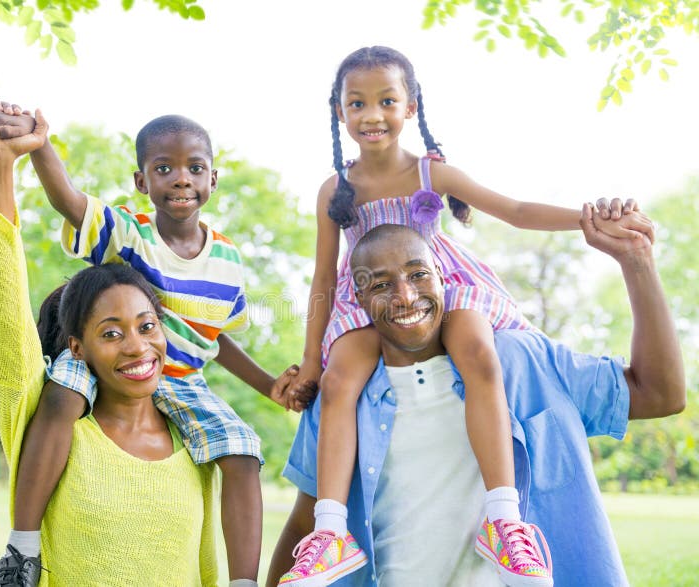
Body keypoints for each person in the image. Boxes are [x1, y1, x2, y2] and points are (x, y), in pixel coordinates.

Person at [279, 45, 654, 586]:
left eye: (387, 100)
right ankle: (331, 531)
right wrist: (310, 361)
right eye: (356, 103)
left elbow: (517, 212)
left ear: (410, 108)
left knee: (480, 352)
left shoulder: (432, 172)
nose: (372, 114)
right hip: (370, 299)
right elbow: (321, 277)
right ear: (339, 111)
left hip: (441, 286)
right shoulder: (334, 190)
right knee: (340, 384)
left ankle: (503, 519)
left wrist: (588, 220)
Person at [0, 104, 314, 587]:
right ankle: (22, 548)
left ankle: (243, 582)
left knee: (242, 451)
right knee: (61, 395)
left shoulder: (227, 260)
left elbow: (217, 337)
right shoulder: (131, 233)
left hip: (183, 381)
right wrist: (40, 145)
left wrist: (269, 388)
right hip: (103, 368)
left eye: (194, 169)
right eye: (164, 168)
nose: (180, 179)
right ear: (141, 181)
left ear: (213, 180)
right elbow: (70, 202)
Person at [268, 218, 685, 586]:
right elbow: (307, 520)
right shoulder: (341, 394)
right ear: (357, 300)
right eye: (381, 285)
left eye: (418, 276)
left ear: (442, 278)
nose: (406, 297)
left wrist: (637, 262)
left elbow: (660, 394)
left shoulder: (524, 362)